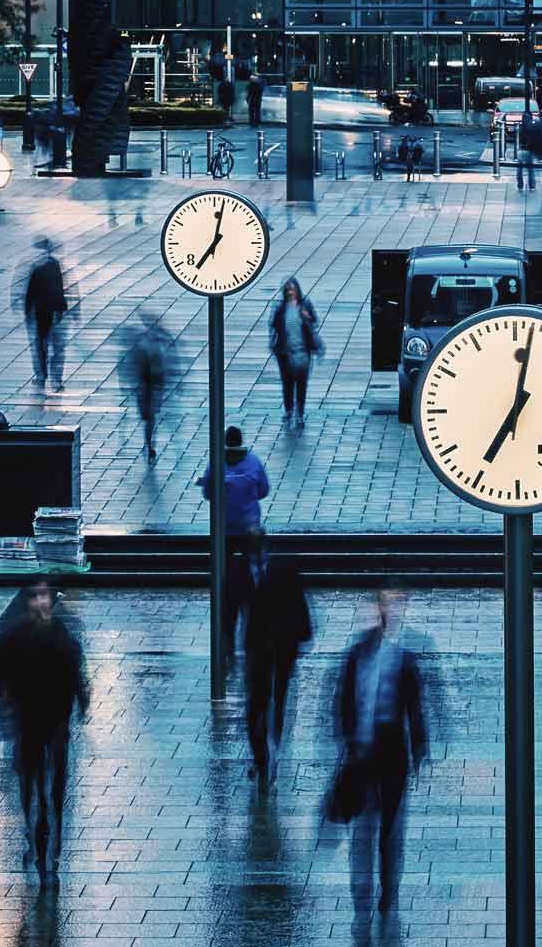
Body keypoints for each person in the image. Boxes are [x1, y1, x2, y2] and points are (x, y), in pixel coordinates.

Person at [330, 588, 430, 922]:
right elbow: (342, 701)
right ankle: (363, 888)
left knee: (388, 828)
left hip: (391, 755)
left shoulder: (402, 658)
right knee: (364, 829)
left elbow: (414, 708)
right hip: (361, 755)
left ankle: (387, 890)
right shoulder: (355, 655)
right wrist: (345, 741)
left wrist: (418, 748)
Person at [0, 579, 89, 880]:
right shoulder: (15, 637)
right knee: (30, 783)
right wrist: (3, 708)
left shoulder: (59, 633)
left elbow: (75, 669)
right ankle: (36, 833)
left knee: (55, 785)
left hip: (55, 720)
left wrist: (81, 699)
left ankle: (50, 844)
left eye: (45, 596)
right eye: (35, 597)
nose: (41, 603)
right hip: (28, 720)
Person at [244, 539, 312, 791]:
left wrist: (303, 633)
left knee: (279, 698)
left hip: (284, 646)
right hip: (256, 649)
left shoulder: (285, 568)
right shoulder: (241, 571)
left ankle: (273, 747)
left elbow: (299, 601)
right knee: (255, 704)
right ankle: (261, 756)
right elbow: (232, 608)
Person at [200, 427, 270, 659]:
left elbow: (208, 493)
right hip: (250, 530)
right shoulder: (253, 462)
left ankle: (227, 640)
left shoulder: (216, 464)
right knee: (255, 582)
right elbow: (263, 490)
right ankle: (254, 635)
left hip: (224, 531)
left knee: (226, 586)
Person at [268, 277, 322, 430]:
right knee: (287, 383)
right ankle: (289, 410)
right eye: (288, 290)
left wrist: (307, 317)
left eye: (293, 289)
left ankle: (300, 412)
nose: (291, 292)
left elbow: (314, 321)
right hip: (285, 352)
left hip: (303, 351)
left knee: (301, 383)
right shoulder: (280, 307)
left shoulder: (305, 305)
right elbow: (273, 325)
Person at [119, 313, 174, 458]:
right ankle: (149, 443)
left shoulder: (146, 347)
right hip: (147, 386)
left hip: (149, 386)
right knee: (149, 417)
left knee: (150, 417)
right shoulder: (143, 348)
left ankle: (149, 444)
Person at [24, 237, 72, 391]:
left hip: (42, 311)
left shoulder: (38, 267)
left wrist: (28, 310)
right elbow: (59, 288)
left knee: (42, 345)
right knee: (54, 346)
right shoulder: (54, 265)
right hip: (51, 311)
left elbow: (31, 291)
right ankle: (55, 379)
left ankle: (42, 376)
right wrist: (61, 308)